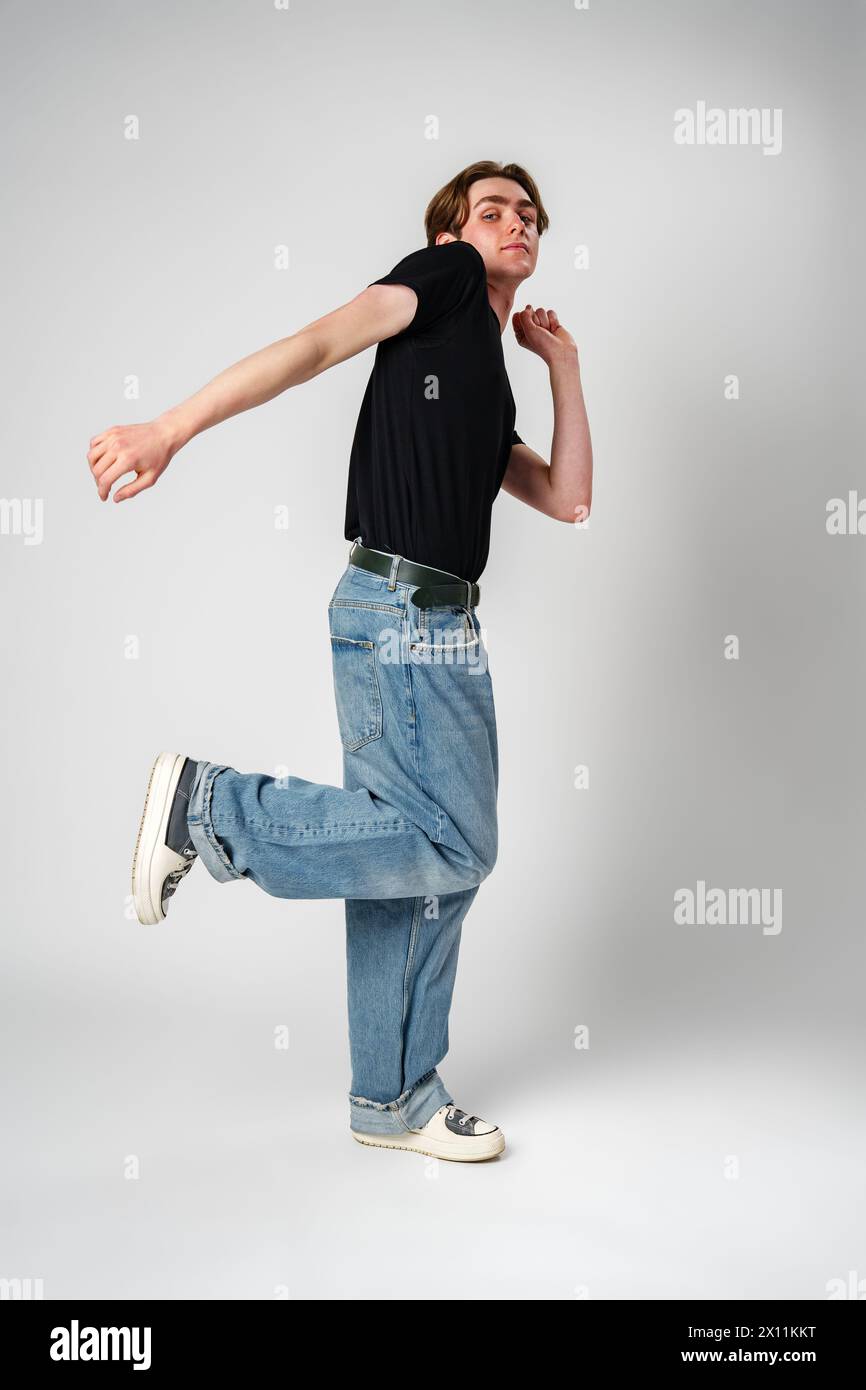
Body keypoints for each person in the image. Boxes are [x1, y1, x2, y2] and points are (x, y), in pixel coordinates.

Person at [87, 160, 593, 1163]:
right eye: (491, 210)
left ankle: (391, 1097)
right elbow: (321, 341)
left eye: (527, 215)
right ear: (451, 231)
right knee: (454, 845)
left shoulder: (479, 369)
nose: (515, 223)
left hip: (437, 618)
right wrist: (170, 428)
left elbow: (569, 496)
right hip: (403, 607)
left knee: (421, 864)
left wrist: (561, 369)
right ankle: (211, 808)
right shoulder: (442, 280)